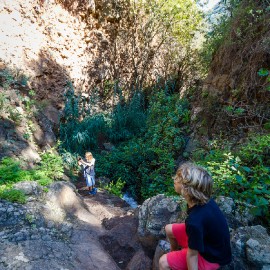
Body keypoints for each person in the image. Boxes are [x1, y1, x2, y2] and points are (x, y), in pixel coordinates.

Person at [159, 162, 232, 270]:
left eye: (178, 179)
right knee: (168, 229)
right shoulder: (205, 201)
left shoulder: (195, 221)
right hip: (208, 241)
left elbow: (192, 255)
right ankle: (175, 257)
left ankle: (172, 261)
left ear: (187, 190)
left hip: (210, 257)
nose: (174, 179)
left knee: (163, 262)